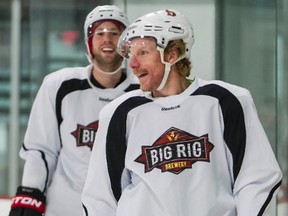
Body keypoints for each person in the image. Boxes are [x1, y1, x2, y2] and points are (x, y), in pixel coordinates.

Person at [81, 9, 283, 216]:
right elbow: (100, 197)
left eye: (142, 53)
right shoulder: (118, 113)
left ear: (172, 54)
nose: (132, 64)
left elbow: (256, 179)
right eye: (131, 54)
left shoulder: (226, 101)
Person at [8, 5, 139, 216]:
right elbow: (41, 149)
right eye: (100, 33)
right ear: (88, 42)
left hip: (120, 209)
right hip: (64, 208)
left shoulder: (142, 92)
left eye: (115, 33)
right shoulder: (60, 85)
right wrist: (30, 193)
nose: (107, 39)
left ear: (126, 44)